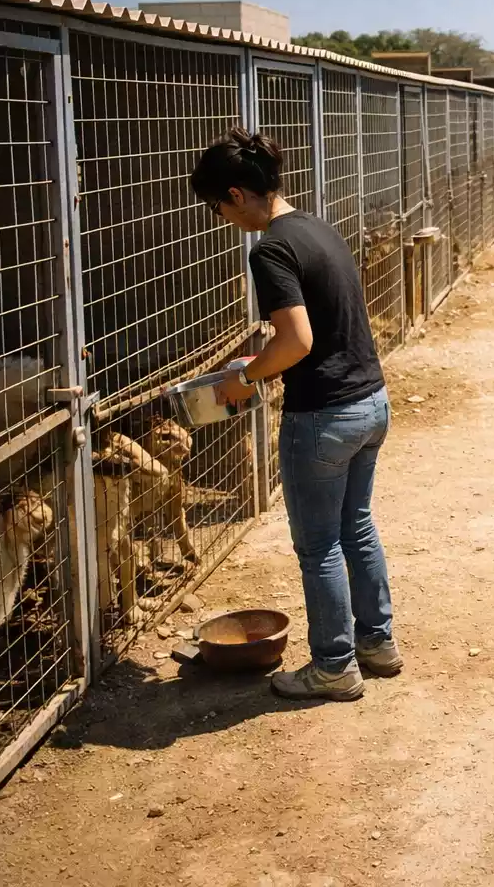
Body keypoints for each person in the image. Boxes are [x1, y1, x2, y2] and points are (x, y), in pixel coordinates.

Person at [192, 127, 399, 702]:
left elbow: (299, 341)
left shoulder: (271, 249)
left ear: (236, 194)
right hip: (371, 402)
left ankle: (334, 665)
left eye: (217, 207)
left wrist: (244, 377)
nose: (223, 219)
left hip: (324, 416)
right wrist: (263, 357)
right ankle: (376, 644)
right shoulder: (316, 227)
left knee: (319, 546)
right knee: (356, 526)